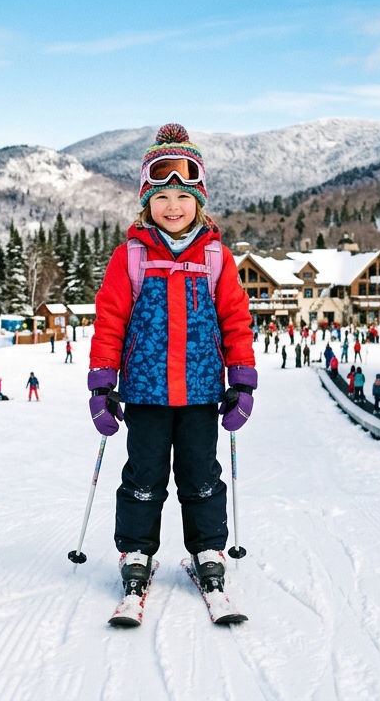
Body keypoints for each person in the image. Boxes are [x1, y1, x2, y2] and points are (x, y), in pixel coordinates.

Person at [87, 123, 256, 604]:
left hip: (202, 393)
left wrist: (242, 382)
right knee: (144, 476)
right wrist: (102, 385)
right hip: (145, 394)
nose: (173, 206)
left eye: (183, 195)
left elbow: (236, 319)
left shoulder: (216, 258)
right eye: (161, 197)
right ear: (146, 203)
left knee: (202, 476)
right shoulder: (131, 257)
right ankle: (136, 552)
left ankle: (208, 550)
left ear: (199, 201)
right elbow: (110, 319)